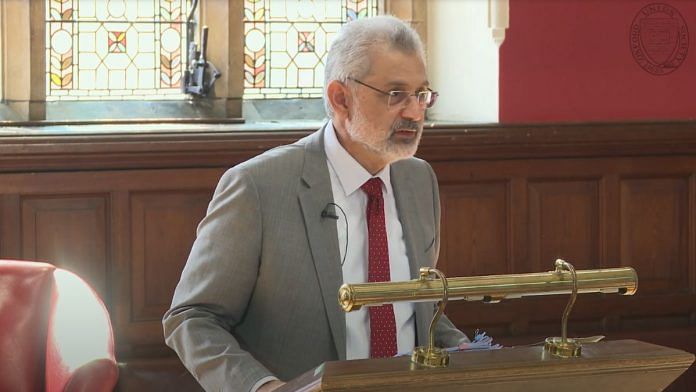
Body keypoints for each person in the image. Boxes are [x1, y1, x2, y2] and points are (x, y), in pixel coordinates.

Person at [163, 15, 469, 392]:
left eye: (421, 94)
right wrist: (264, 388)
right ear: (340, 98)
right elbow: (192, 318)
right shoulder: (259, 187)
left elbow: (414, 308)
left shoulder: (419, 180)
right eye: (395, 95)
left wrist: (473, 353)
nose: (414, 112)